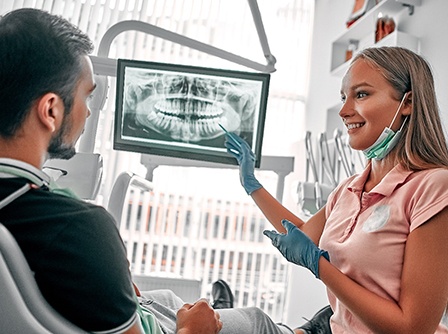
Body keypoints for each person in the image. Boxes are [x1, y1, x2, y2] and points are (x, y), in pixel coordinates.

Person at [0, 7, 317, 334]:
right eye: (87, 97)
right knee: (256, 320)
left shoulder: (31, 216)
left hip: (88, 310)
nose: (88, 113)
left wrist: (106, 278)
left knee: (165, 297)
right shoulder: (80, 228)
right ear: (51, 110)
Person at [224, 46, 448, 333]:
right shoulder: (349, 189)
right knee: (249, 321)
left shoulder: (436, 187)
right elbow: (301, 235)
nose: (344, 111)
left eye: (361, 94)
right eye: (344, 97)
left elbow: (413, 328)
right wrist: (251, 185)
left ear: (408, 102)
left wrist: (320, 267)